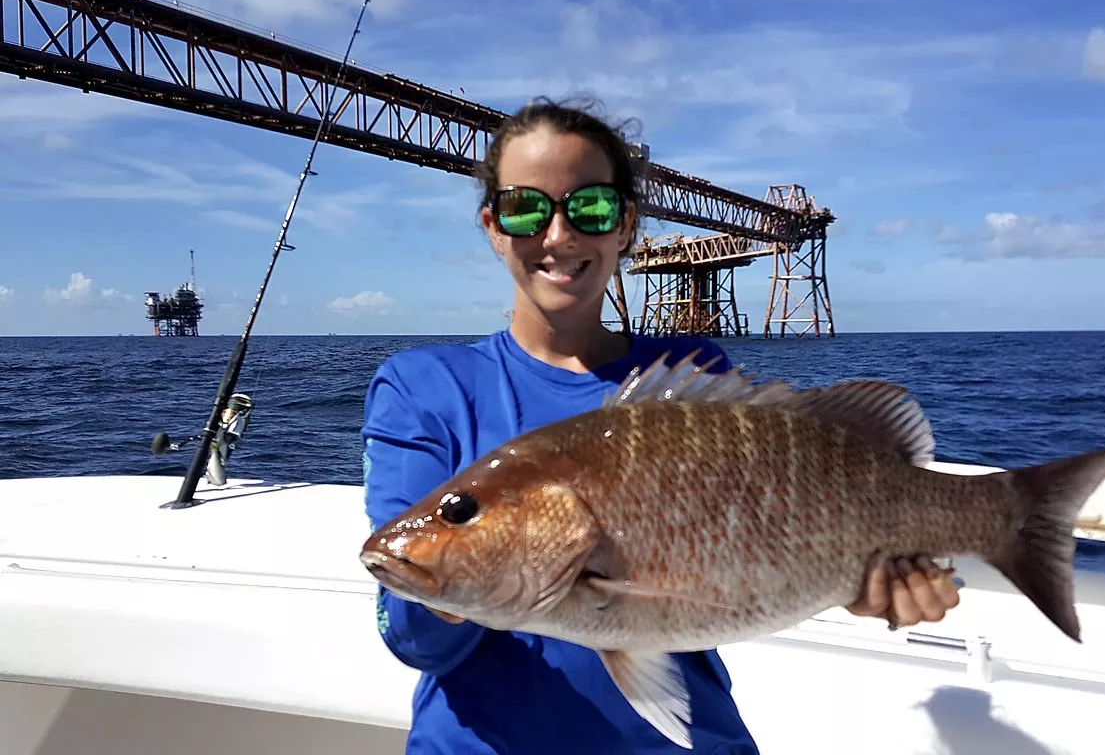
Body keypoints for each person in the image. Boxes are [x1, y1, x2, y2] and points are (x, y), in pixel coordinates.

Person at [361, 95, 962, 754]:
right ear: (493, 226)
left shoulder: (694, 370)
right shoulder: (424, 388)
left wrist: (863, 584)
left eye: (589, 207)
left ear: (626, 226)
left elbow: (752, 562)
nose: (558, 235)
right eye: (526, 208)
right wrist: (448, 582)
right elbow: (408, 636)